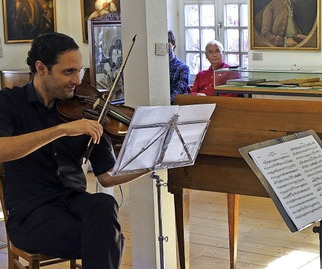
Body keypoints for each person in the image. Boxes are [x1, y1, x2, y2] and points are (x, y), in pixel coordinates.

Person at [0, 32, 148, 269]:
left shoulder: (85, 109)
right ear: (41, 68)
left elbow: (107, 177)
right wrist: (61, 130)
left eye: (79, 70)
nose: (78, 80)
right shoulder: (9, 102)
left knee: (104, 205)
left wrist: (150, 163)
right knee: (108, 238)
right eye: (68, 72)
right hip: (30, 214)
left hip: (73, 202)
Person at [168, 30, 190, 104]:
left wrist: (165, 103)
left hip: (174, 106)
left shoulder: (183, 68)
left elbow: (179, 91)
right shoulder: (156, 67)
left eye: (168, 47)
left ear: (174, 47)